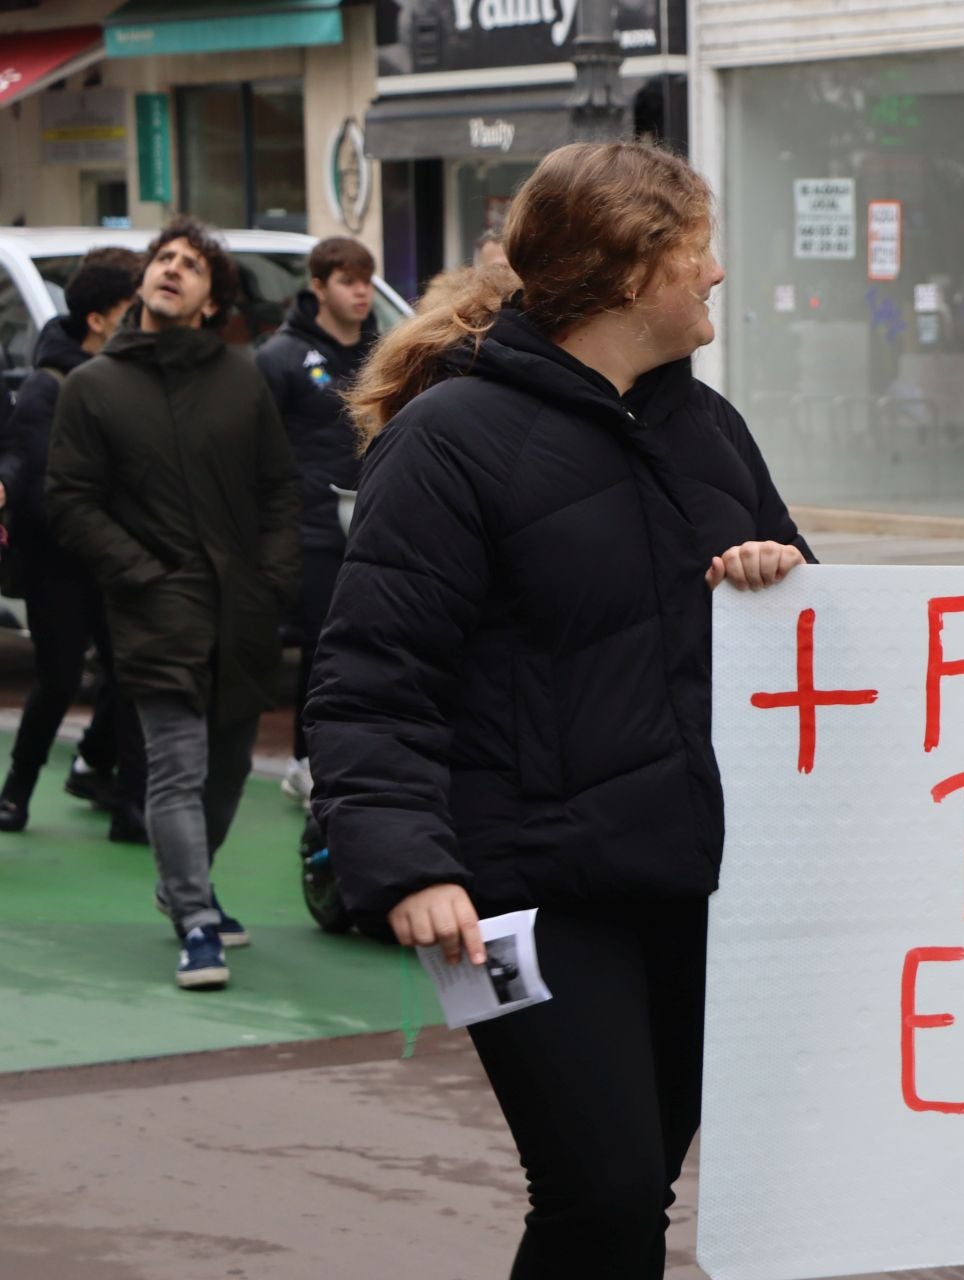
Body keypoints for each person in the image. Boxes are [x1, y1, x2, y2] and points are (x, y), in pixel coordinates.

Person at [305, 141, 811, 1278]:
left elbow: (801, 615)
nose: (717, 275)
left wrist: (779, 570)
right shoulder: (448, 442)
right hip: (514, 893)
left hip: (693, 880)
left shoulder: (708, 428)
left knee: (627, 1192)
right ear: (634, 272)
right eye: (699, 252)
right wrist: (409, 863)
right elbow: (374, 673)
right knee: (603, 1185)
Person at [46, 219, 302, 991]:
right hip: (155, 610)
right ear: (145, 281)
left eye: (191, 266)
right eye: (165, 258)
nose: (173, 270)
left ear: (209, 299)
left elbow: (278, 489)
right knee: (176, 770)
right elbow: (68, 501)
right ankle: (195, 919)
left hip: (241, 611)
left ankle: (183, 882)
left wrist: (273, 574)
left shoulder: (241, 377)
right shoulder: (93, 386)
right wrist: (141, 575)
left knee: (225, 774)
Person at [0, 247, 150, 841]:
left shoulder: (134, 374)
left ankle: (126, 800)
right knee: (60, 678)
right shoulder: (49, 387)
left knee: (134, 674)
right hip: (59, 563)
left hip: (119, 558)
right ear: (98, 319)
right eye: (129, 306)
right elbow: (29, 473)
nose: (141, 315)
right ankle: (17, 790)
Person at [255, 235, 380, 806]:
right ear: (319, 287)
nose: (361, 292)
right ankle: (305, 762)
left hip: (375, 518)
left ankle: (349, 759)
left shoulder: (384, 348)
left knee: (370, 647)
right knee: (322, 648)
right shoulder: (280, 358)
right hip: (310, 527)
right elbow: (259, 451)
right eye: (348, 281)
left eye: (366, 279)